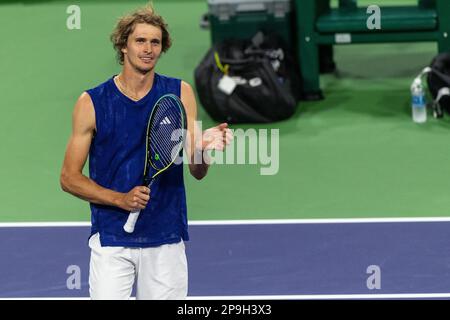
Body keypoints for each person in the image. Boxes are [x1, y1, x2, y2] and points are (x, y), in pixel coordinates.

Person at [60, 4, 232, 300]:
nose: (148, 48)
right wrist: (120, 199)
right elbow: (69, 178)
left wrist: (201, 151)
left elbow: (197, 171)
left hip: (165, 237)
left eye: (155, 42)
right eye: (140, 40)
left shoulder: (180, 93)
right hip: (112, 239)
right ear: (123, 46)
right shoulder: (92, 102)